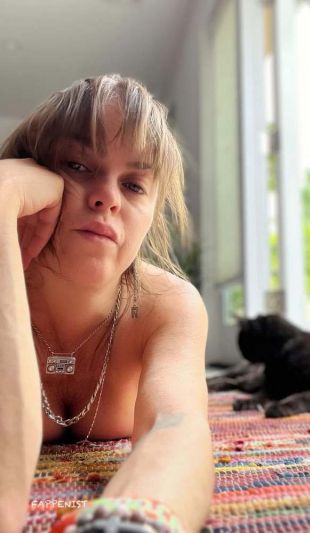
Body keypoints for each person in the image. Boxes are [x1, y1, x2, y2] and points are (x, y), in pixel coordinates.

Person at [0, 74, 214, 533]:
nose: (107, 198)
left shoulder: (167, 306)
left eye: (134, 185)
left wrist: (133, 521)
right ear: (31, 175)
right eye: (78, 165)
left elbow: (177, 423)